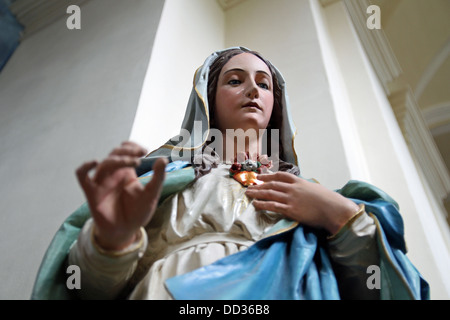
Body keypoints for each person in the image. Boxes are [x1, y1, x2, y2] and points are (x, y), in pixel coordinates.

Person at [31, 47, 429, 300]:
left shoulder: (309, 197)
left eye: (264, 84)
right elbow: (85, 289)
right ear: (208, 98)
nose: (252, 91)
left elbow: (374, 289)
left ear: (276, 104)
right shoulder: (164, 179)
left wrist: (340, 217)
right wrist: (111, 241)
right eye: (234, 81)